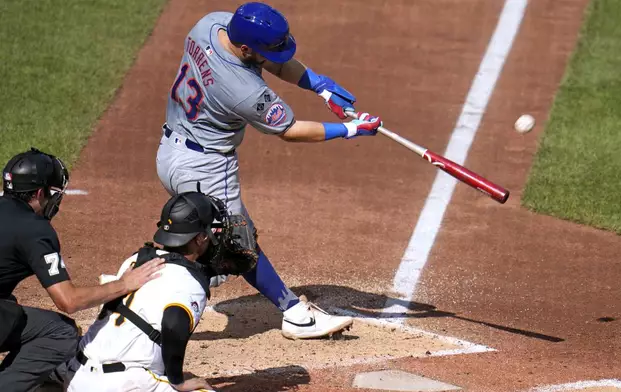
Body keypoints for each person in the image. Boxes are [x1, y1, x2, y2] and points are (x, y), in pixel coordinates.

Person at [156, 1, 381, 340]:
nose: (272, 56)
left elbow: (270, 61)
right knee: (239, 241)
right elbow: (288, 130)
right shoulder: (242, 90)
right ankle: (294, 315)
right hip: (207, 168)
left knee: (206, 245)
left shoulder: (212, 25)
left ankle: (147, 276)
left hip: (171, 152)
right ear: (245, 47)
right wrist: (350, 130)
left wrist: (317, 84)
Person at [0, 147, 164, 392]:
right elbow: (68, 301)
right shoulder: (34, 230)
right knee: (61, 333)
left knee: (7, 306)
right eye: (53, 193)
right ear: (39, 193)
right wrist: (124, 284)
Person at [65, 191, 256, 392]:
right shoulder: (189, 283)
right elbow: (173, 324)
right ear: (199, 238)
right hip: (123, 384)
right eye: (212, 230)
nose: (216, 235)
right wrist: (177, 381)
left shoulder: (137, 260)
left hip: (77, 375)